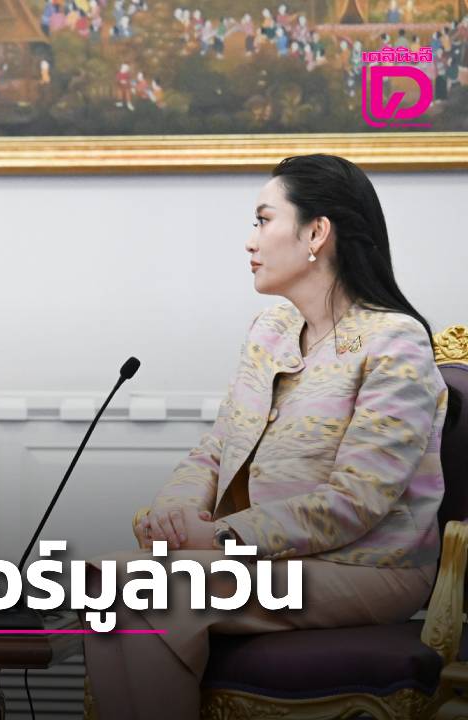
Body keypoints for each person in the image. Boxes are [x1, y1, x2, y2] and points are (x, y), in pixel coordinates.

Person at [82, 154, 459, 719]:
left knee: (150, 589)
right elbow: (217, 447)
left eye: (263, 220)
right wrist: (174, 512)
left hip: (367, 567)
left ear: (316, 233)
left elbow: (357, 500)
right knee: (102, 579)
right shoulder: (271, 330)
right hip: (261, 558)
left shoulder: (393, 340)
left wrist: (221, 536)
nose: (250, 240)